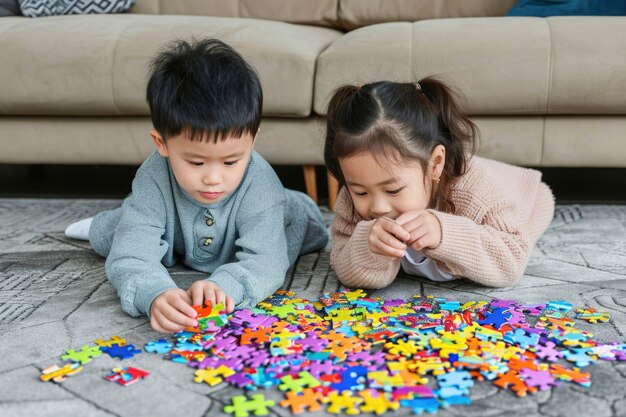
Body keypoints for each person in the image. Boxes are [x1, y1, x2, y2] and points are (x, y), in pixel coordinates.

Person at [64, 38, 328, 333]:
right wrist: (154, 294)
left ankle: (293, 206)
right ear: (162, 143)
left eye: (230, 162)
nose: (213, 178)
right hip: (178, 229)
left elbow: (266, 262)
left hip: (274, 218)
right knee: (114, 237)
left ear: (252, 142)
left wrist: (225, 286)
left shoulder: (262, 186)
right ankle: (118, 218)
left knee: (303, 230)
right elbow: (131, 256)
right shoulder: (153, 175)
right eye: (197, 163)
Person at [324, 78, 554, 289]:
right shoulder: (356, 192)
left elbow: (510, 265)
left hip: (525, 196)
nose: (377, 207)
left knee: (523, 224)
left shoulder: (478, 194)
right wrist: (367, 247)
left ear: (435, 164)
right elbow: (343, 263)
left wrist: (445, 233)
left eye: (393, 189)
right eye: (361, 192)